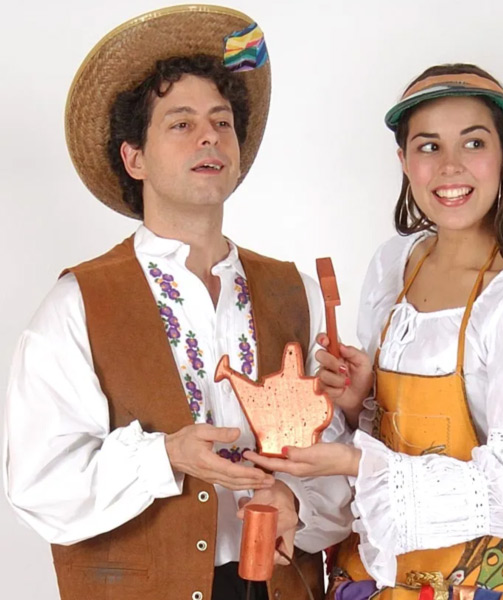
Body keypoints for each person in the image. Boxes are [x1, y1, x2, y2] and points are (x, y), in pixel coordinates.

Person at [3, 6, 352, 600]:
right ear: (134, 158)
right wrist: (164, 455)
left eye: (221, 121)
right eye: (181, 123)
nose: (209, 136)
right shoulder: (78, 304)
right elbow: (39, 486)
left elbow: (343, 450)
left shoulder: (296, 290)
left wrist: (297, 502)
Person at [247, 64, 503, 599]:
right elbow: (382, 427)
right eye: (428, 147)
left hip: (484, 576)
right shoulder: (394, 265)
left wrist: (359, 462)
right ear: (403, 160)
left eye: (473, 143)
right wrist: (362, 399)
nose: (451, 167)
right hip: (377, 571)